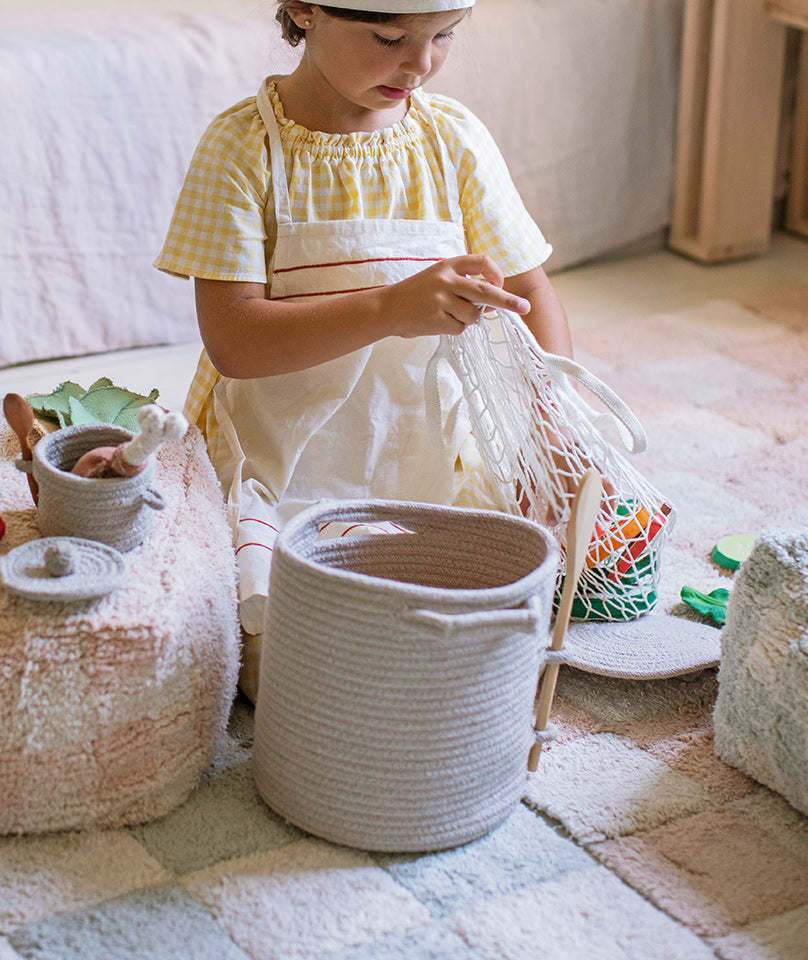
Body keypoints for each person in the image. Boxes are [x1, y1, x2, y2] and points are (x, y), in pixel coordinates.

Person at [155, 0, 574, 698]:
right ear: (302, 11)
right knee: (276, 668)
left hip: (436, 456)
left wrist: (548, 417)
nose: (421, 62)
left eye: (444, 36)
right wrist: (387, 309)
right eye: (388, 37)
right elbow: (233, 340)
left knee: (480, 628)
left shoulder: (452, 140)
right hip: (282, 467)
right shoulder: (242, 147)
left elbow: (532, 294)